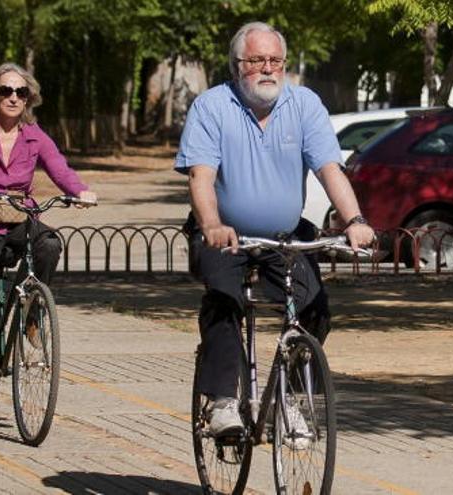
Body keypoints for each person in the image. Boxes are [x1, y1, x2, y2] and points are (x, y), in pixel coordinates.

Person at [175, 22, 374, 436]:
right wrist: (212, 224)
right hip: (223, 233)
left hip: (283, 235)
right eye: (256, 60)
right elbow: (201, 177)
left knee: (314, 308)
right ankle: (223, 403)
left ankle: (291, 399)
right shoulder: (212, 106)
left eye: (275, 61)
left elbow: (329, 170)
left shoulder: (304, 105)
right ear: (236, 66)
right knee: (224, 300)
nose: (267, 69)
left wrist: (354, 221)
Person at [0, 62, 96, 413]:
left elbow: (59, 168)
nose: (13, 97)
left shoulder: (34, 134)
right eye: (6, 91)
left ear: (29, 98)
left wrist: (80, 191)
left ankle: (31, 313)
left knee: (48, 241)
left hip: (19, 219)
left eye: (20, 92)